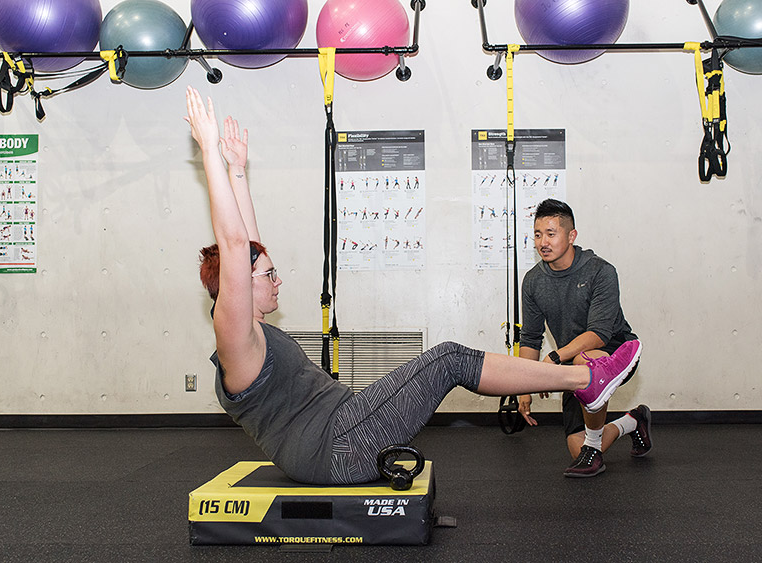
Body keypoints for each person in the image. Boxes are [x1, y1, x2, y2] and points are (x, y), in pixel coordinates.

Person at [185, 88, 642, 485]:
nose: (277, 278)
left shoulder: (255, 332)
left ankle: (586, 381)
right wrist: (208, 152)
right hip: (334, 448)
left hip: (345, 422)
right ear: (236, 289)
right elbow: (234, 243)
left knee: (445, 359)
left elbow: (248, 245)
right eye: (267, 275)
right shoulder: (235, 338)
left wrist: (238, 171)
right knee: (447, 358)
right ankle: (585, 379)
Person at [518, 199, 652, 478]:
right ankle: (633, 421)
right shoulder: (532, 281)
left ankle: (595, 446)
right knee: (578, 448)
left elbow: (599, 333)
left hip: (613, 351)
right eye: (538, 234)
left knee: (585, 361)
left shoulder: (600, 271)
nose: (543, 241)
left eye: (551, 234)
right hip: (573, 360)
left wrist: (554, 358)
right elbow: (530, 338)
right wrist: (524, 387)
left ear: (571, 235)